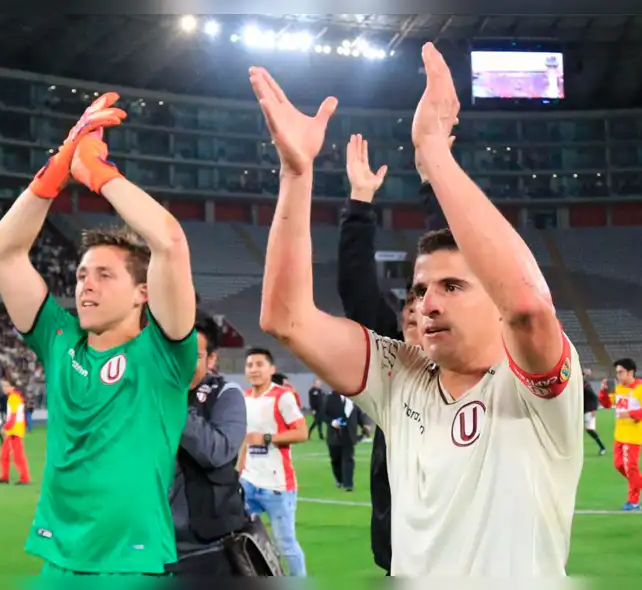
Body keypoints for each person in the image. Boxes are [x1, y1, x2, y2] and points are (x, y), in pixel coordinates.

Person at [249, 42, 585, 577]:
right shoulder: (400, 376)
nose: (427, 303)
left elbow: (527, 306)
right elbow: (285, 319)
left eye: (452, 286)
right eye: (420, 288)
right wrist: (296, 174)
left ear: (493, 303)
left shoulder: (537, 389)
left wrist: (433, 155)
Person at [0, 92, 198, 577]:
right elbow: (3, 252)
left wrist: (99, 174)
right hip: (55, 560)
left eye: (104, 275)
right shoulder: (59, 342)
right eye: (81, 275)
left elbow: (168, 241)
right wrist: (60, 164)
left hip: (131, 564)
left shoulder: (163, 354)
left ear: (143, 293)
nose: (85, 285)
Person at [336, 132, 447, 575]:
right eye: (410, 307)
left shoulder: (477, 366)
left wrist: (430, 179)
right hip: (399, 554)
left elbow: (450, 253)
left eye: (431, 303)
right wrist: (360, 202)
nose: (419, 313)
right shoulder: (393, 368)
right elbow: (356, 286)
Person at [168, 310, 248, 576]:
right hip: (151, 538)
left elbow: (217, 452)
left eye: (195, 354)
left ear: (212, 359)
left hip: (206, 542)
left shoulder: (226, 394)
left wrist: (174, 401)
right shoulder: (148, 393)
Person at [238, 348, 309, 577]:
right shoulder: (244, 397)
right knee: (239, 537)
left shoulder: (282, 396)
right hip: (248, 483)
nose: (254, 369)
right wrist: (238, 473)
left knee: (286, 545)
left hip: (277, 487)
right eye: (250, 365)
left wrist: (268, 438)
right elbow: (245, 440)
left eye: (259, 364)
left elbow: (302, 432)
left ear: (272, 369)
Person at [598, 358, 642, 510]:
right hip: (620, 433)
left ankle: (634, 500)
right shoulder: (619, 388)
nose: (618, 375)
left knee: (630, 468)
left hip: (634, 435)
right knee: (620, 466)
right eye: (617, 372)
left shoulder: (641, 389)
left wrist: (630, 414)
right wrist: (604, 392)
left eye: (621, 372)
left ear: (630, 372)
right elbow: (607, 405)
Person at [323, 389, 371, 491]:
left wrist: (364, 425)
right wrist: (332, 422)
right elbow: (322, 414)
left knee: (349, 459)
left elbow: (358, 414)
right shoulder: (330, 398)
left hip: (349, 435)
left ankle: (348, 484)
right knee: (335, 459)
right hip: (334, 435)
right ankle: (339, 480)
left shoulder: (353, 398)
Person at [0, 378, 30, 486]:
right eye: (3, 386)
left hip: (14, 431)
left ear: (12, 387)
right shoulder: (15, 397)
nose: (4, 388)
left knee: (17, 456)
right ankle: (4, 477)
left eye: (6, 386)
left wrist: (5, 427)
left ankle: (24, 478)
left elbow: (13, 417)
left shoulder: (13, 398)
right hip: (13, 431)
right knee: (4, 454)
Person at [582, 368, 606, 456]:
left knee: (589, 429)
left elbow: (594, 397)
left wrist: (594, 409)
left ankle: (602, 447)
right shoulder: (580, 385)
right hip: (582, 411)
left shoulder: (586, 386)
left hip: (588, 410)